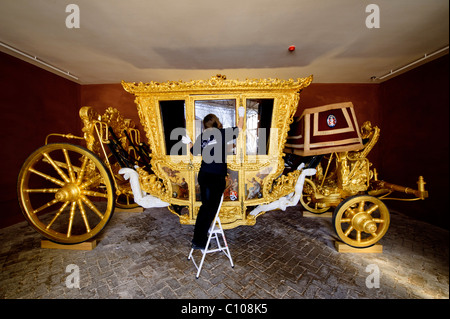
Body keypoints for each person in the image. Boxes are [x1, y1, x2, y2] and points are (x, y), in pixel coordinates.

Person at [182, 107, 244, 249]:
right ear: (217, 122)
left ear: (205, 125)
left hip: (204, 174)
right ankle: (199, 240)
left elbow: (194, 152)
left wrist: (189, 142)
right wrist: (241, 115)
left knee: (206, 207)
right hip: (216, 176)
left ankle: (198, 238)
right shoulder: (222, 133)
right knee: (210, 209)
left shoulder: (203, 137)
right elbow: (239, 129)